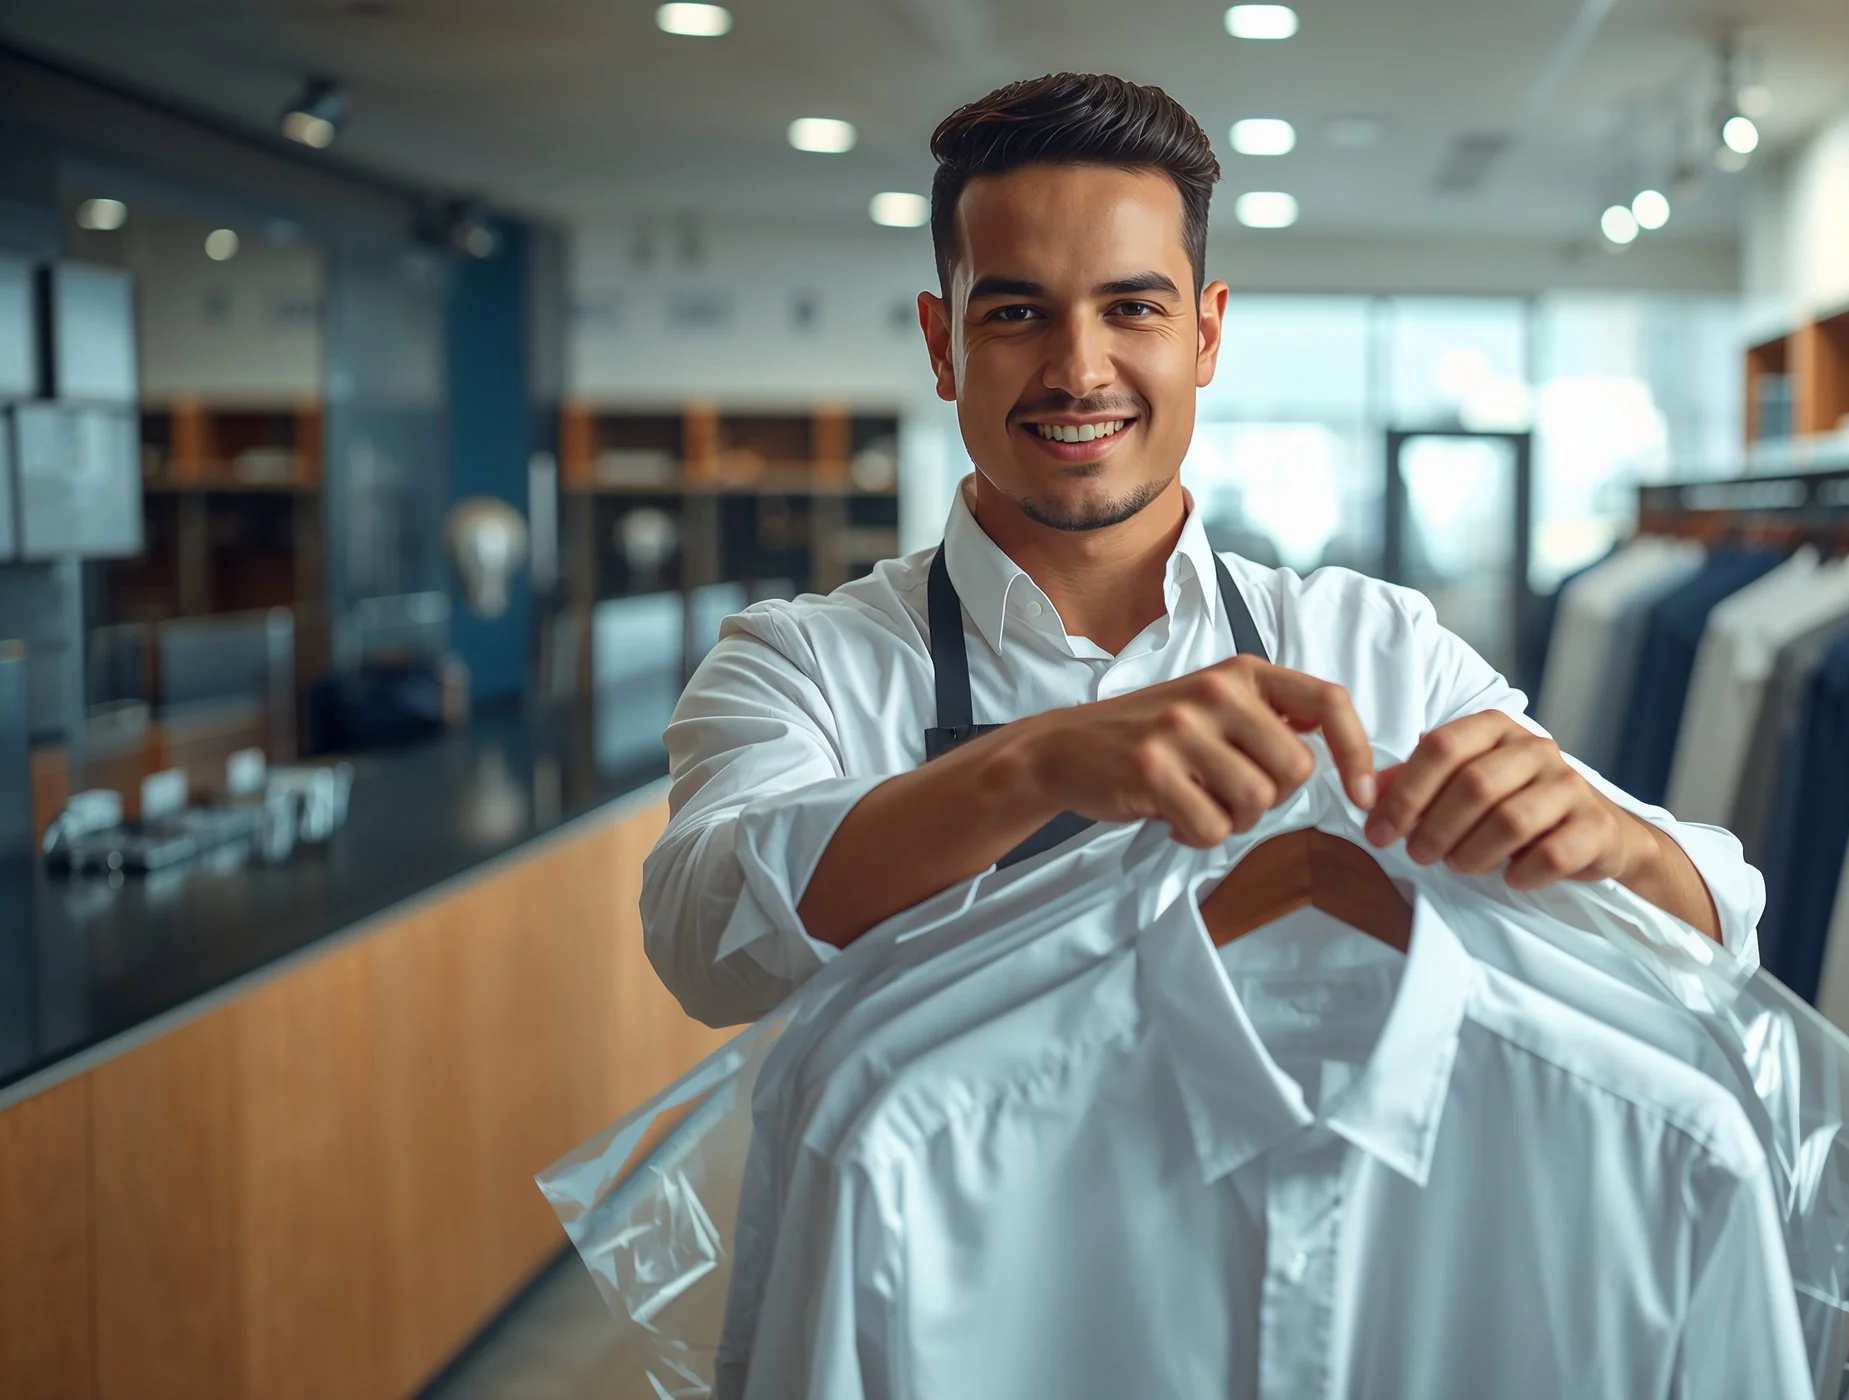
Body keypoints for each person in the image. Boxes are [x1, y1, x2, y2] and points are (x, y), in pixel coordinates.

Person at [641, 73, 1761, 1027]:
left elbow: (1713, 932)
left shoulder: (1371, 646)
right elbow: (704, 934)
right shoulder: (801, 661)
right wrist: (1040, 764)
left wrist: (1609, 840)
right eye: (1018, 314)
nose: (1079, 370)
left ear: (1206, 332)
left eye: (1132, 308)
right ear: (944, 343)